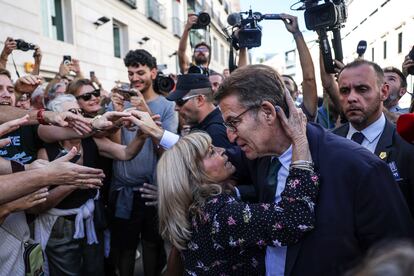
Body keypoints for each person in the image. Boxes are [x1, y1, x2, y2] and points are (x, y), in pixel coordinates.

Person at [214, 64, 414, 275]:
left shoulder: (360, 167)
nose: (231, 136)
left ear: (267, 112)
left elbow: (395, 258)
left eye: (234, 122)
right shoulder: (257, 156)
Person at [157, 111, 319, 274]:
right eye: (211, 152)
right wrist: (299, 143)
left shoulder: (195, 208)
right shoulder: (221, 215)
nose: (222, 150)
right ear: (195, 175)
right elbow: (293, 220)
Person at [109, 49, 177, 276]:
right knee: (125, 249)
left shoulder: (167, 107)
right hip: (124, 190)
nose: (135, 78)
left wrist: (145, 113)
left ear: (154, 73)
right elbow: (116, 147)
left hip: (152, 190)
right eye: (130, 73)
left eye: (140, 72)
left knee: (152, 246)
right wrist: (118, 116)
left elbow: (166, 151)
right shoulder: (117, 105)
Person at [333, 59, 414, 216]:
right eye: (344, 91)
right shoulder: (327, 143)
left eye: (362, 89)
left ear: (383, 92)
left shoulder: (407, 145)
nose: (351, 98)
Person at [166, 74, 231, 148]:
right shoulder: (206, 127)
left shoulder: (214, 132)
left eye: (179, 102)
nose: (176, 108)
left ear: (199, 100)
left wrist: (156, 131)